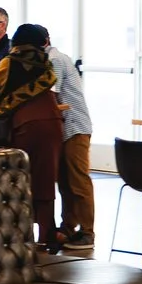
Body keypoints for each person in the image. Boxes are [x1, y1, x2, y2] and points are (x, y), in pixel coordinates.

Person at [0, 24, 65, 248]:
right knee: (46, 180)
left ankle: (21, 234)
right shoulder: (45, 62)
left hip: (26, 124)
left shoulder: (9, 62)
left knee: (20, 180)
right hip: (53, 121)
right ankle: (46, 235)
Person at [50, 39, 96, 248]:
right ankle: (68, 228)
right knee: (65, 181)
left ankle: (87, 233)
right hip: (65, 127)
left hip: (74, 126)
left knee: (78, 180)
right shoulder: (52, 58)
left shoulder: (54, 59)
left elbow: (51, 94)